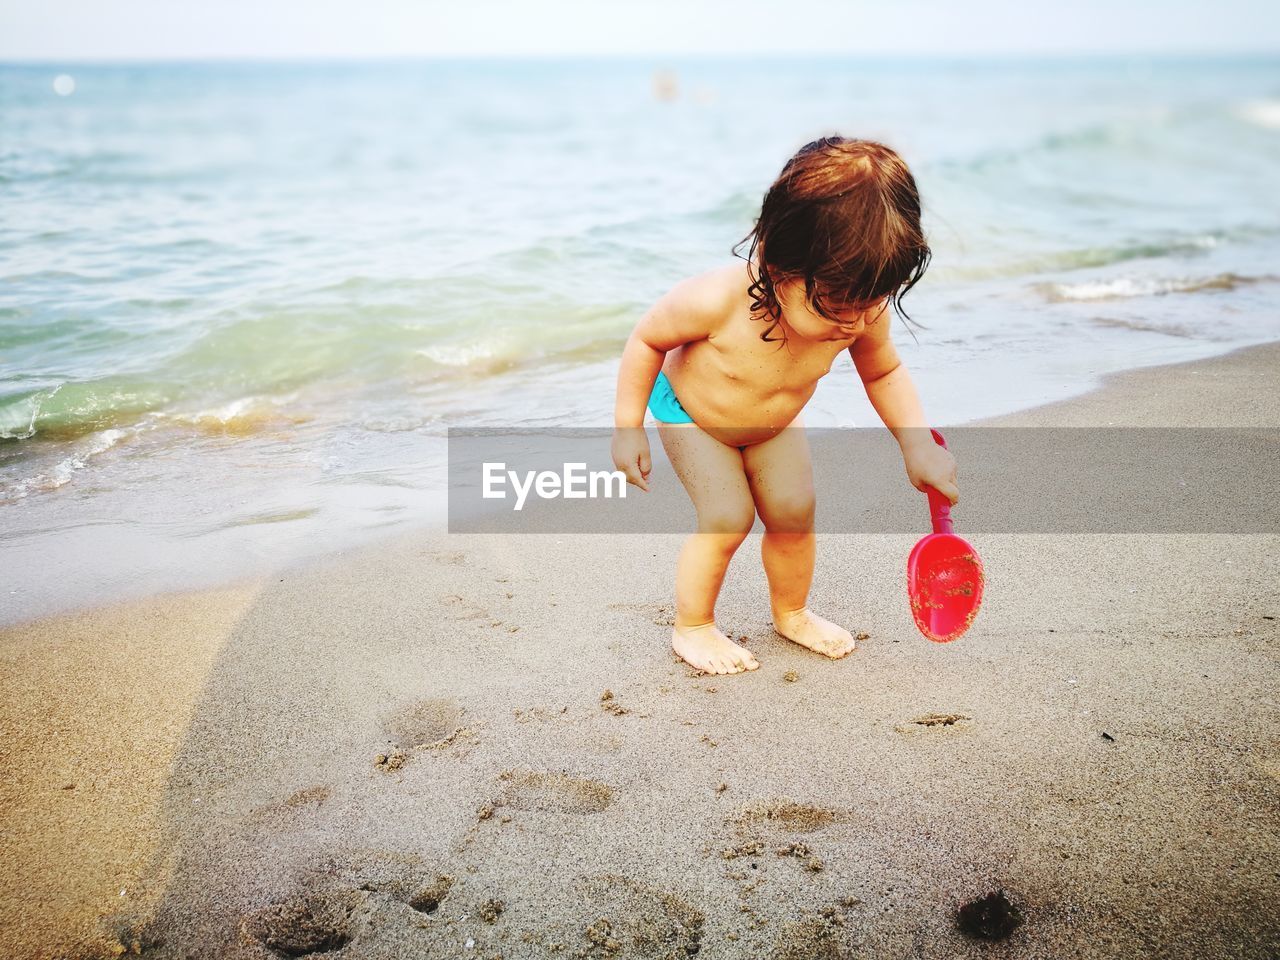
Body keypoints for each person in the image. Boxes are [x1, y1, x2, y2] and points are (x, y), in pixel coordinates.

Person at [611, 136, 960, 675]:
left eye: (873, 303)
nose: (856, 323)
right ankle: (694, 626)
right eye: (839, 307)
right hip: (693, 413)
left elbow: (884, 370)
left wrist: (915, 443)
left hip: (774, 420)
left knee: (794, 515)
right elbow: (647, 340)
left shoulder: (861, 307)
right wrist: (627, 427)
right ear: (779, 264)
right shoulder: (716, 300)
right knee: (728, 518)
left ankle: (792, 612)